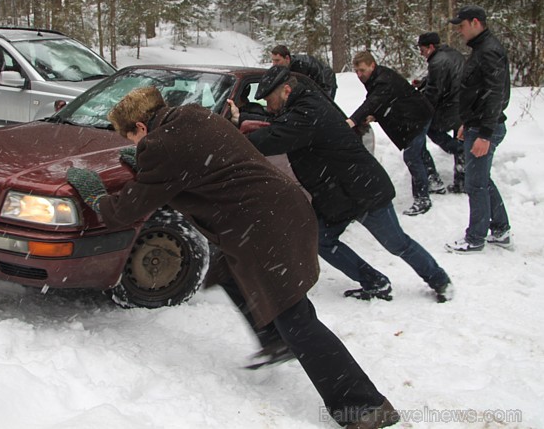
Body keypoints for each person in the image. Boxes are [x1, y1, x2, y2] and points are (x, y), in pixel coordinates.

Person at [66, 86, 400, 429]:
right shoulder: (192, 116)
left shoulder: (161, 146)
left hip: (265, 229)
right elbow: (193, 163)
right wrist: (147, 167)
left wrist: (95, 197)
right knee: (227, 271)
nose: (134, 145)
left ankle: (364, 406)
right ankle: (273, 339)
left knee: (296, 318)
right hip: (277, 210)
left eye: (131, 138)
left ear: (140, 126)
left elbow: (125, 210)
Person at [229, 65, 453, 305]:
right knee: (323, 240)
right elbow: (278, 123)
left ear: (285, 90)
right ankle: (375, 282)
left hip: (364, 190)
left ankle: (440, 280)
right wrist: (241, 118)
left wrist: (231, 141)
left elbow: (276, 136)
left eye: (269, 100)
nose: (267, 106)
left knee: (397, 243)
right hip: (339, 195)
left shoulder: (308, 112)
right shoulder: (302, 105)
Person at [444, 5, 512, 253]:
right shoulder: (481, 49)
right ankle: (501, 228)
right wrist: (467, 122)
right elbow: (477, 92)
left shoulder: (489, 51)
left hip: (487, 128)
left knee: (475, 184)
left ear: (475, 22)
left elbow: (495, 94)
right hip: (477, 125)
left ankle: (475, 238)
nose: (460, 31)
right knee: (481, 180)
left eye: (461, 26)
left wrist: (484, 133)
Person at [349, 51, 434, 216]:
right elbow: (384, 100)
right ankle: (434, 180)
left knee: (412, 156)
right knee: (419, 151)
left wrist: (352, 121)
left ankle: (423, 198)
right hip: (414, 115)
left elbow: (373, 101)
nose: (359, 75)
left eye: (362, 70)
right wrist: (375, 114)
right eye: (357, 71)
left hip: (417, 117)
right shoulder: (375, 77)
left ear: (372, 65)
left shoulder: (383, 80)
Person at [415, 32, 466, 194]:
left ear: (430, 47)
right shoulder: (453, 54)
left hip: (450, 106)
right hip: (463, 104)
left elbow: (434, 91)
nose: (421, 53)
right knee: (459, 135)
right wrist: (423, 83)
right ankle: (462, 180)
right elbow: (443, 78)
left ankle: (458, 149)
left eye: (422, 49)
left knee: (433, 130)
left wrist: (422, 107)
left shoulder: (437, 61)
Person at [271, 44, 338, 100]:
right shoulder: (283, 67)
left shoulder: (300, 66)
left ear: (287, 58)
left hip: (326, 81)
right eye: (273, 60)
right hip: (314, 83)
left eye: (277, 60)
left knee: (323, 107)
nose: (274, 64)